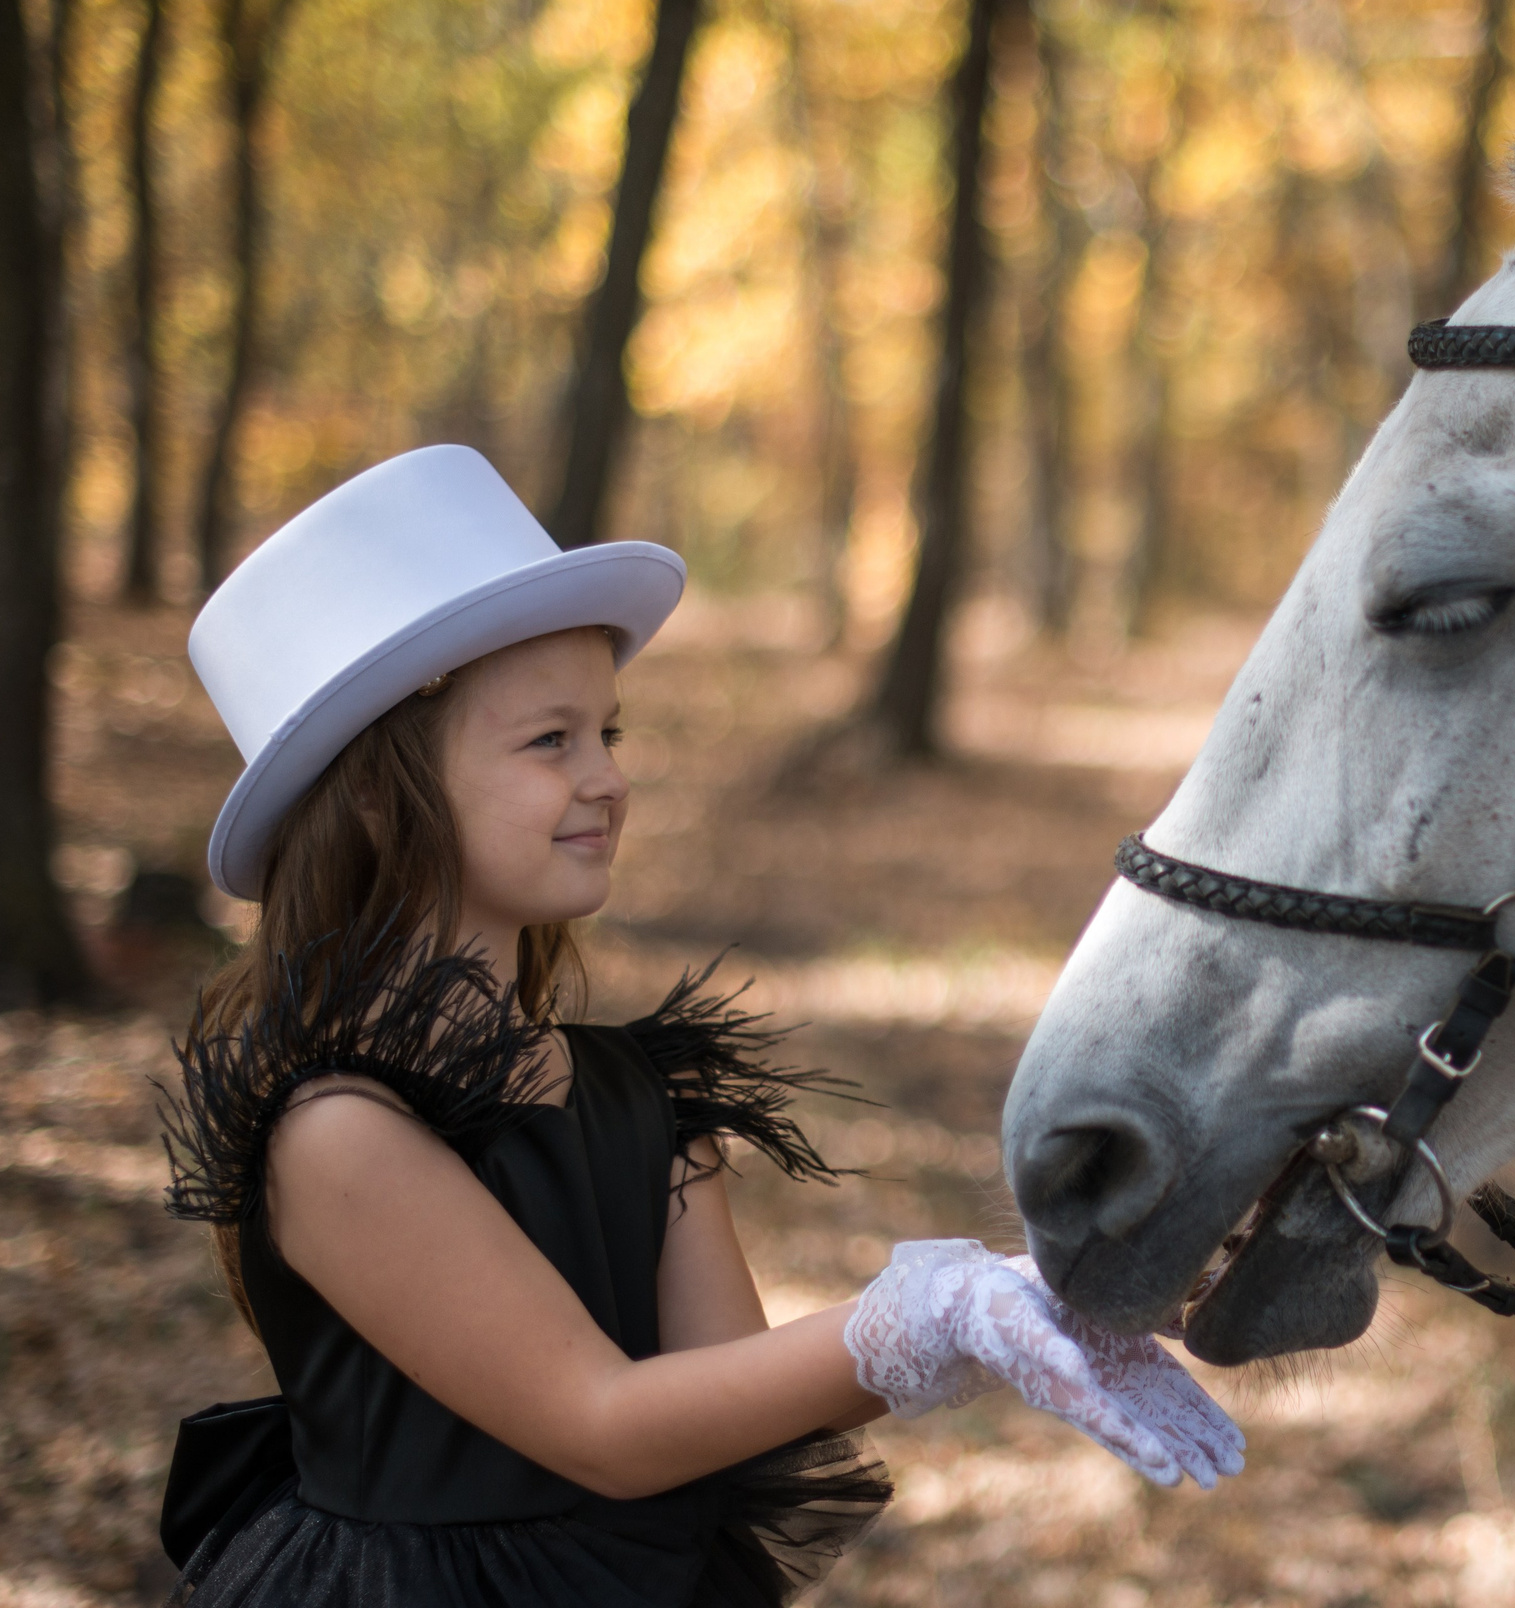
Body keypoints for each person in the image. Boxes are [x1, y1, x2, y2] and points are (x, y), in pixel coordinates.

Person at [155, 445, 1242, 1606]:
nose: (609, 778)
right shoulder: (337, 1136)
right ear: (376, 790)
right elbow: (601, 1422)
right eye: (549, 740)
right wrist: (930, 1313)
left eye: (607, 734)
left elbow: (721, 1405)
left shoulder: (644, 1095)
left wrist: (1031, 1298)